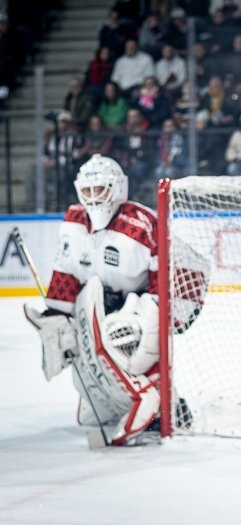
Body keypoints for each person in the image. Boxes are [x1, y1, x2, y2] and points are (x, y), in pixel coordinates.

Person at [22, 154, 196, 446]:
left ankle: (167, 405)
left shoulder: (139, 223)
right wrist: (56, 314)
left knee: (127, 345)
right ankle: (109, 402)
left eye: (100, 190)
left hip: (150, 296)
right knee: (83, 343)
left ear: (117, 189)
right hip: (105, 297)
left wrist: (150, 314)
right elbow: (66, 270)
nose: (93, 198)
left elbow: (166, 276)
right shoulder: (74, 221)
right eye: (87, 191)